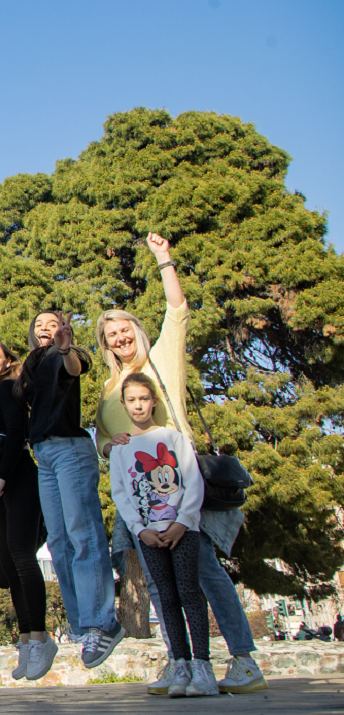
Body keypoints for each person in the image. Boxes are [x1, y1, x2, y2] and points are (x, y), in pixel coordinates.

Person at [93, 233, 267, 695]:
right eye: (111, 334)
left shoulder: (162, 361)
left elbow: (177, 311)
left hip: (181, 486)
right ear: (105, 343)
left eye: (125, 329)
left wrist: (163, 259)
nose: (120, 337)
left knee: (204, 571)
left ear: (136, 331)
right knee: (157, 581)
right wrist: (110, 448)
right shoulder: (110, 391)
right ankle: (180, 662)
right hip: (143, 500)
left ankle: (243, 659)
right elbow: (104, 441)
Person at [18, 309, 125, 668]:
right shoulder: (31, 363)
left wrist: (65, 349)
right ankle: (83, 626)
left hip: (70, 450)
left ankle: (102, 622)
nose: (45, 329)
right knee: (59, 541)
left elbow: (76, 367)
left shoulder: (66, 354)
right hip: (44, 453)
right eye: (39, 326)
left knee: (83, 534)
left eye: (52, 324)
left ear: (63, 329)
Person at [108, 373, 218, 697]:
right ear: (124, 404)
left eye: (144, 398)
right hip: (149, 535)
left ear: (153, 400)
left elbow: (193, 480)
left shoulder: (173, 438)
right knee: (166, 598)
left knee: (189, 593)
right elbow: (120, 494)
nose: (138, 405)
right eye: (132, 400)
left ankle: (203, 667)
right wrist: (140, 530)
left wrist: (184, 521)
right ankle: (179, 664)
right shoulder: (121, 449)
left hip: (182, 530)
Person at [0, 340, 55, 681]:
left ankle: (39, 638)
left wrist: (2, 476)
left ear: (7, 362)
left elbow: (17, 433)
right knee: (5, 568)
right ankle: (26, 640)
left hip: (17, 474)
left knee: (22, 557)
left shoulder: (8, 389)